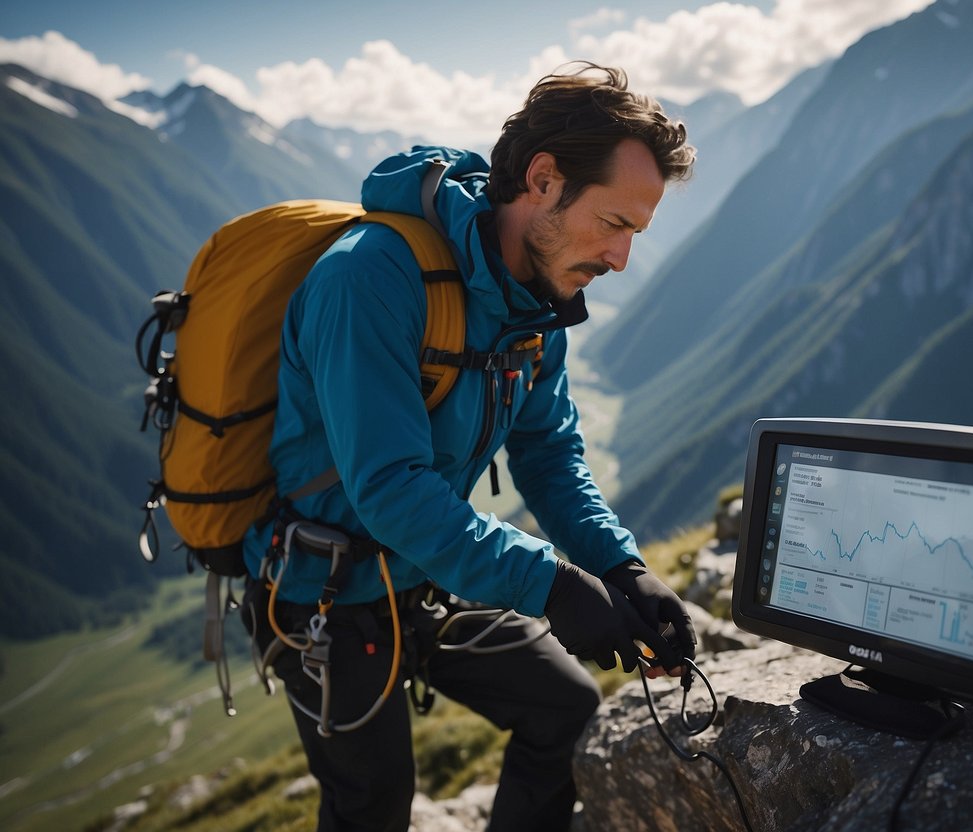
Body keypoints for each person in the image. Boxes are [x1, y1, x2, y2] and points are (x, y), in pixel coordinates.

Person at [240, 62, 699, 831]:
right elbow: (389, 488)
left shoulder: (536, 298)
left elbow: (549, 455)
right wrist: (551, 583)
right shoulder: (368, 280)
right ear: (543, 180)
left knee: (567, 709)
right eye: (615, 225)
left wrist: (622, 568)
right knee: (371, 803)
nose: (620, 260)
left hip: (427, 573)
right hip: (327, 594)